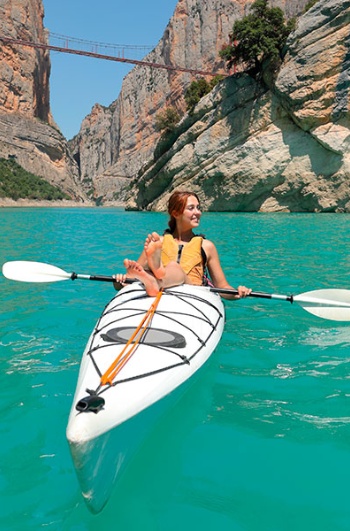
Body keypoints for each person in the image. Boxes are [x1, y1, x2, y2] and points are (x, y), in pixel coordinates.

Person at [114, 190, 252, 299]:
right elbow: (130, 279)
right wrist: (120, 282)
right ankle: (153, 277)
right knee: (157, 269)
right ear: (175, 213)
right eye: (191, 208)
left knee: (174, 267)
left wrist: (237, 292)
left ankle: (155, 279)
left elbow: (222, 286)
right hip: (164, 294)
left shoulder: (206, 246)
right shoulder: (158, 243)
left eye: (198, 208)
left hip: (193, 292)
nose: (197, 213)